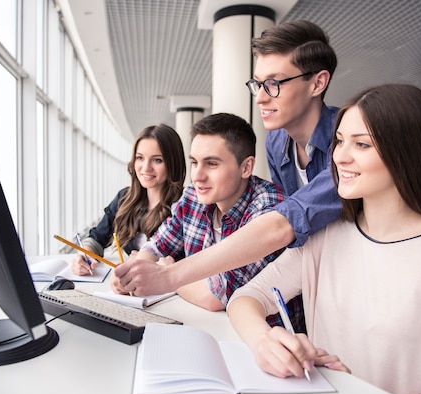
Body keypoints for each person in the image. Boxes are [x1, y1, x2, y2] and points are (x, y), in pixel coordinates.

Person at [226, 84, 421, 394]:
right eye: (339, 140)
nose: (339, 156)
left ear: (407, 152)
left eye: (362, 144)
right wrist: (264, 341)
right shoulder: (326, 236)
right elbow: (246, 298)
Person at [115, 20, 340, 333]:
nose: (261, 97)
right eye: (258, 84)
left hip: (350, 277)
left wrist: (169, 275)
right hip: (305, 276)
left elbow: (284, 221)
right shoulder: (276, 141)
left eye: (274, 83)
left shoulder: (346, 142)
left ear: (317, 83)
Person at [112, 113, 284, 312]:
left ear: (246, 167)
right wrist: (132, 276)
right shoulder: (193, 197)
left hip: (261, 336)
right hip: (205, 325)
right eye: (194, 162)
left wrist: (163, 273)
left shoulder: (267, 208)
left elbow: (215, 297)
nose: (197, 176)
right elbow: (157, 246)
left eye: (211, 164)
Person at [71, 124, 186, 276]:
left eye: (157, 160)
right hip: (130, 290)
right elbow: (97, 238)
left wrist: (146, 262)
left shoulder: (186, 206)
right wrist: (84, 255)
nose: (146, 168)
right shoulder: (124, 198)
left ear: (173, 163)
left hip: (172, 294)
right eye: (140, 158)